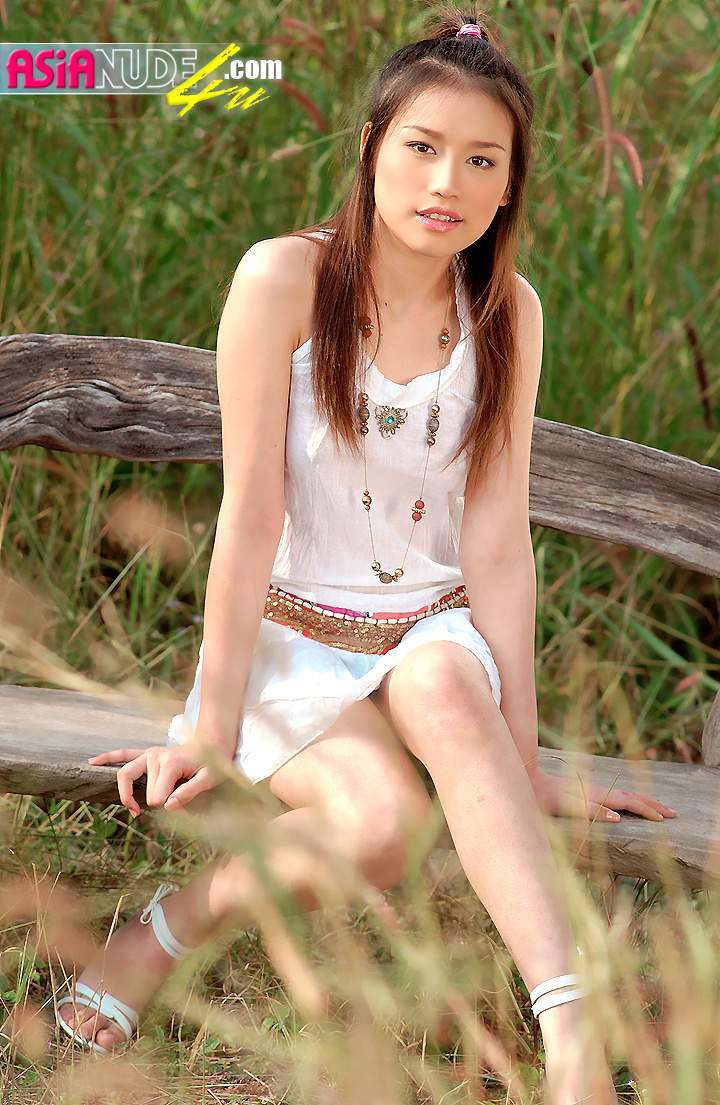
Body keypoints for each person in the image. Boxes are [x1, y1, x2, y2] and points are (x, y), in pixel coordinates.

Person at [55, 7, 676, 1101]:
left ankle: (572, 1032)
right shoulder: (283, 280)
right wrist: (208, 725)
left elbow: (497, 540)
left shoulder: (507, 310)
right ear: (370, 148)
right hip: (295, 642)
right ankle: (169, 927)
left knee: (439, 679)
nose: (447, 182)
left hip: (432, 637)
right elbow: (250, 514)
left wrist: (522, 760)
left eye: (482, 160)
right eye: (423, 147)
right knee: (382, 831)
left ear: (510, 184)